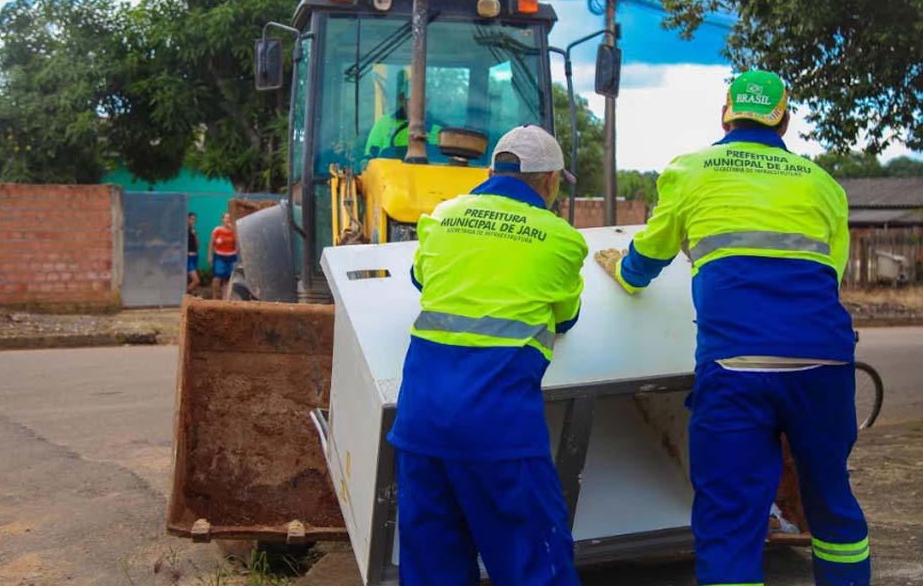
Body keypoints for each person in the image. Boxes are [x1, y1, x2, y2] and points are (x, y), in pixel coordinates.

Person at [597, 70, 869, 586]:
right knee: (832, 503)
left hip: (735, 365)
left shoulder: (691, 171)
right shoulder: (823, 184)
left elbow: (650, 254)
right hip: (824, 363)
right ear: (784, 121)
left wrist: (625, 273)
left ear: (726, 115)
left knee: (730, 520)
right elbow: (830, 276)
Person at [389, 124, 586, 586]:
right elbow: (566, 318)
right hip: (500, 431)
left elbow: (421, 278)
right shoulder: (561, 239)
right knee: (535, 567)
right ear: (551, 181)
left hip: (420, 423)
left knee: (432, 573)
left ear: (490, 171)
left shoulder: (441, 218)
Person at [365, 71, 441, 159]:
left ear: (427, 101)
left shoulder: (439, 130)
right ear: (402, 99)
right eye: (411, 100)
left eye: (422, 100)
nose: (417, 105)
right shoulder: (384, 124)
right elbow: (369, 158)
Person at [208, 212, 237, 300]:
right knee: (217, 278)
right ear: (222, 219)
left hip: (231, 257)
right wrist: (210, 256)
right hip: (219, 257)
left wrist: (233, 230)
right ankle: (214, 298)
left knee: (228, 279)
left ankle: (225, 299)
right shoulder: (217, 230)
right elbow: (211, 244)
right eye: (226, 218)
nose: (227, 220)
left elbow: (237, 244)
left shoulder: (234, 231)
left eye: (229, 218)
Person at [187, 212, 200, 294]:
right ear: (187, 219)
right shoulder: (184, 231)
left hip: (195, 257)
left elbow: (198, 246)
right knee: (196, 280)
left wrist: (195, 235)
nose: (193, 221)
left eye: (194, 219)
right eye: (191, 219)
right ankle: (184, 295)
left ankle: (190, 297)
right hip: (188, 258)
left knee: (191, 280)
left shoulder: (194, 231)